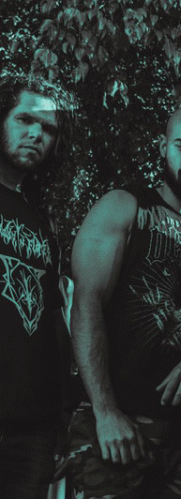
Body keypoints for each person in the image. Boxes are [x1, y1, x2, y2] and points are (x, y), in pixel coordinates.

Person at [66, 96, 181, 498]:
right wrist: (105, 412)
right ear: (163, 147)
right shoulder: (124, 208)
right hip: (116, 424)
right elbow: (85, 305)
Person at [0, 73, 73, 499]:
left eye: (47, 128)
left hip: (32, 430)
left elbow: (51, 324)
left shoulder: (43, 223)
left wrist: (61, 418)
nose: (35, 134)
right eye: (24, 119)